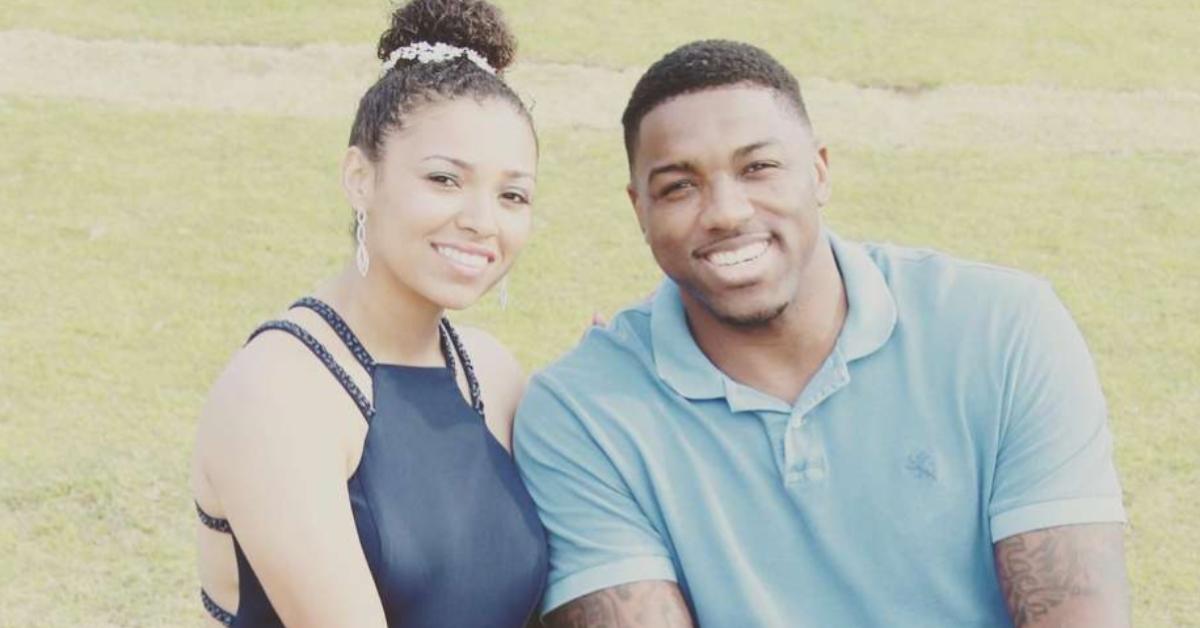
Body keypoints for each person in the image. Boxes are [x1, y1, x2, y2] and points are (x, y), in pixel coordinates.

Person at [514, 39, 1130, 627]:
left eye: (758, 167)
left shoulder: (1005, 327)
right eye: (679, 186)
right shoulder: (580, 413)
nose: (727, 212)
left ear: (820, 172)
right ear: (639, 211)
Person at [189, 1, 547, 625]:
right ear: (360, 177)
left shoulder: (493, 373)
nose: (482, 221)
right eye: (444, 179)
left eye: (512, 194)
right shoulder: (278, 391)